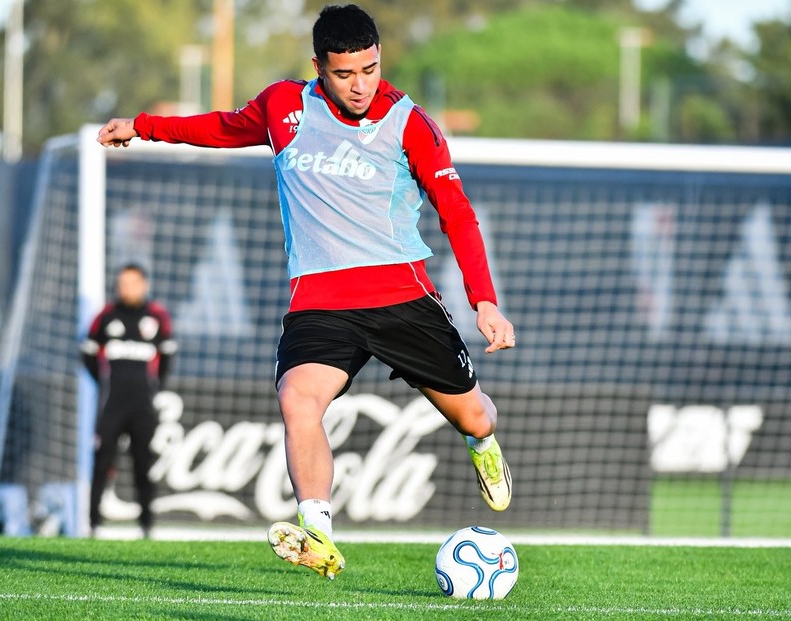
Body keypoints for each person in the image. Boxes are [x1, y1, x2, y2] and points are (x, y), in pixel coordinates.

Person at [96, 3, 514, 578]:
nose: (361, 85)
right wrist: (143, 126)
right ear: (318, 66)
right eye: (345, 74)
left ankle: (483, 445)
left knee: (475, 417)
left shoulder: (409, 124)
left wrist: (484, 300)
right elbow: (220, 128)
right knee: (297, 398)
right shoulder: (283, 106)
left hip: (401, 298)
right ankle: (318, 533)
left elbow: (457, 213)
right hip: (320, 302)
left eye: (370, 69)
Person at [80, 263, 176, 539]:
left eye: (133, 283)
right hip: (112, 405)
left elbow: (167, 358)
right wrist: (104, 383)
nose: (127, 289)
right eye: (122, 283)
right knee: (102, 462)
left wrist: (154, 388)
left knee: (143, 465)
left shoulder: (157, 317)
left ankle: (147, 527)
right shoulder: (106, 317)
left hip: (143, 406)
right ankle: (93, 525)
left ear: (144, 285)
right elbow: (87, 354)